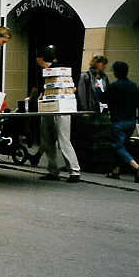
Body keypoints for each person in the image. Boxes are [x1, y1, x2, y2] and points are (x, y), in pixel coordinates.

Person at [36, 45, 81, 182]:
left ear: (41, 59)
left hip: (59, 108)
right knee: (52, 140)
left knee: (60, 140)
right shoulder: (48, 72)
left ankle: (73, 170)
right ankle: (56, 170)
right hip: (52, 106)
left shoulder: (56, 71)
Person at [102, 61, 139, 182]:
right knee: (122, 146)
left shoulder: (114, 86)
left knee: (118, 146)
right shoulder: (133, 85)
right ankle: (116, 171)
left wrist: (98, 90)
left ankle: (137, 167)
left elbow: (103, 98)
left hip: (118, 121)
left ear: (115, 72)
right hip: (131, 121)